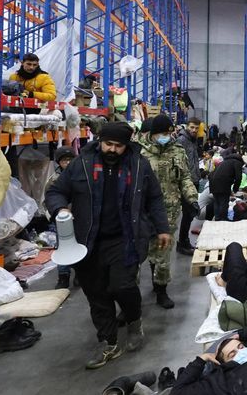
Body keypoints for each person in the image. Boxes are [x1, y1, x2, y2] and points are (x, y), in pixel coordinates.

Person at [45, 122, 170, 369]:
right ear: (100, 141)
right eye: (108, 144)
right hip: (88, 241)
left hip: (126, 238)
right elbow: (56, 192)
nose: (112, 149)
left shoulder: (138, 165)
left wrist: (162, 228)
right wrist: (60, 208)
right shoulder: (81, 164)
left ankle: (134, 321)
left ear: (127, 145)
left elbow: (154, 197)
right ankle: (108, 342)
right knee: (97, 293)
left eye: (118, 146)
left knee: (123, 286)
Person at [139, 114, 199, 308]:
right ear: (153, 134)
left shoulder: (177, 151)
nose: (167, 136)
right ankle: (131, 298)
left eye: (169, 132)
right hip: (143, 211)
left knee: (163, 252)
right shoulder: (140, 153)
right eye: (162, 133)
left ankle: (161, 290)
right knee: (143, 251)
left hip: (169, 211)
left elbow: (185, 178)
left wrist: (192, 197)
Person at [42, 146, 77, 290]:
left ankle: (80, 275)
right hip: (61, 220)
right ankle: (63, 276)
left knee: (81, 245)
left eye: (70, 160)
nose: (67, 163)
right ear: (59, 162)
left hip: (80, 218)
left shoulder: (81, 176)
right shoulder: (54, 180)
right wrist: (52, 216)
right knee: (62, 247)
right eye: (64, 160)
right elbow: (48, 200)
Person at [176, 117, 201, 255]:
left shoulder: (193, 140)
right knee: (187, 214)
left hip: (194, 180)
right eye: (192, 127)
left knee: (189, 214)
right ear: (187, 126)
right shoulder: (182, 140)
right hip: (187, 182)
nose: (194, 130)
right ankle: (182, 243)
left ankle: (184, 241)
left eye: (196, 128)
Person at [209, 149, 247, 221]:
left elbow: (212, 173)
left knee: (217, 202)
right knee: (224, 202)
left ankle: (217, 218)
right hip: (223, 183)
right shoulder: (237, 162)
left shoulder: (224, 162)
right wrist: (235, 189)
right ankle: (223, 219)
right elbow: (238, 177)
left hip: (213, 183)